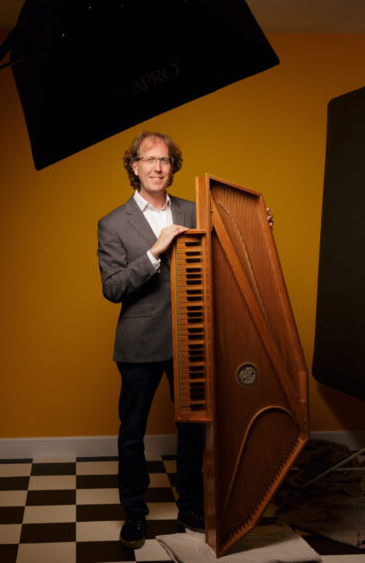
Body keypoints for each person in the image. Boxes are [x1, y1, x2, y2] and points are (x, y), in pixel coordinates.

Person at [97, 131, 205, 550]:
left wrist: (257, 224)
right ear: (134, 166)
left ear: (173, 167)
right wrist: (154, 252)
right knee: (133, 434)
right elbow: (113, 287)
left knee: (193, 428)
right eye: (149, 159)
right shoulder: (112, 223)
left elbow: (226, 252)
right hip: (139, 342)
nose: (158, 166)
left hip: (192, 339)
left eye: (165, 160)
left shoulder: (196, 211)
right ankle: (135, 513)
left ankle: (192, 507)